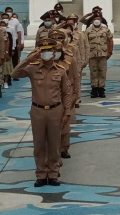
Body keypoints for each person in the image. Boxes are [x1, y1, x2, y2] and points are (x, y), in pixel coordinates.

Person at [11, 38, 73, 187]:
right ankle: (40, 174)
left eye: (49, 50)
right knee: (39, 144)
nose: (46, 53)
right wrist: (28, 59)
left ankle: (52, 173)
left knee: (54, 144)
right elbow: (14, 74)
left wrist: (67, 112)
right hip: (37, 110)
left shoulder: (60, 70)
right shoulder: (33, 68)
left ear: (54, 52)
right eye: (43, 51)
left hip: (55, 110)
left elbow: (66, 92)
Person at [85, 15, 113, 98]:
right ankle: (94, 88)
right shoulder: (88, 30)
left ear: (101, 20)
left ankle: (101, 89)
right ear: (92, 21)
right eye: (95, 19)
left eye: (98, 19)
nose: (97, 20)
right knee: (93, 71)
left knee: (102, 71)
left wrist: (110, 51)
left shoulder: (105, 30)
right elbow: (85, 43)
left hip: (103, 53)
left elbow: (110, 40)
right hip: (92, 54)